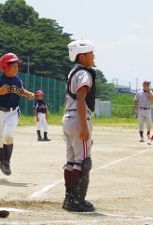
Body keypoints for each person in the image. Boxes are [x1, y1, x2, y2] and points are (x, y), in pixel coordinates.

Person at [0, 52, 34, 176]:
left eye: (17, 66)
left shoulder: (18, 80)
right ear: (5, 67)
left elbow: (20, 90)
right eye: (14, 66)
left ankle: (7, 163)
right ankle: (1, 161)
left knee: (8, 135)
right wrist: (0, 92)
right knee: (0, 138)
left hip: (13, 112)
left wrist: (28, 93)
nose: (17, 68)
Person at [62, 39, 96, 212]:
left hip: (69, 117)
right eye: (91, 54)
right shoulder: (84, 73)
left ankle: (69, 197)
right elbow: (81, 99)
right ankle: (76, 200)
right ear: (81, 56)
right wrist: (83, 126)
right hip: (78, 118)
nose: (94, 56)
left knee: (71, 161)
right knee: (83, 161)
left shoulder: (73, 72)